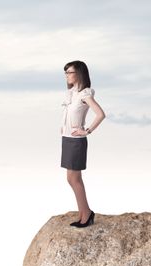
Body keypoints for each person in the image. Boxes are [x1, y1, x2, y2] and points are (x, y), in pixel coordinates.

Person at [60, 60, 106, 228]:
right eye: (65, 73)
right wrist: (62, 127)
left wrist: (87, 131)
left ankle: (86, 214)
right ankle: (83, 212)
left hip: (76, 141)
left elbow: (100, 114)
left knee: (73, 178)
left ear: (79, 73)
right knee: (72, 178)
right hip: (67, 139)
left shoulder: (85, 94)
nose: (67, 76)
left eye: (70, 72)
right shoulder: (72, 93)